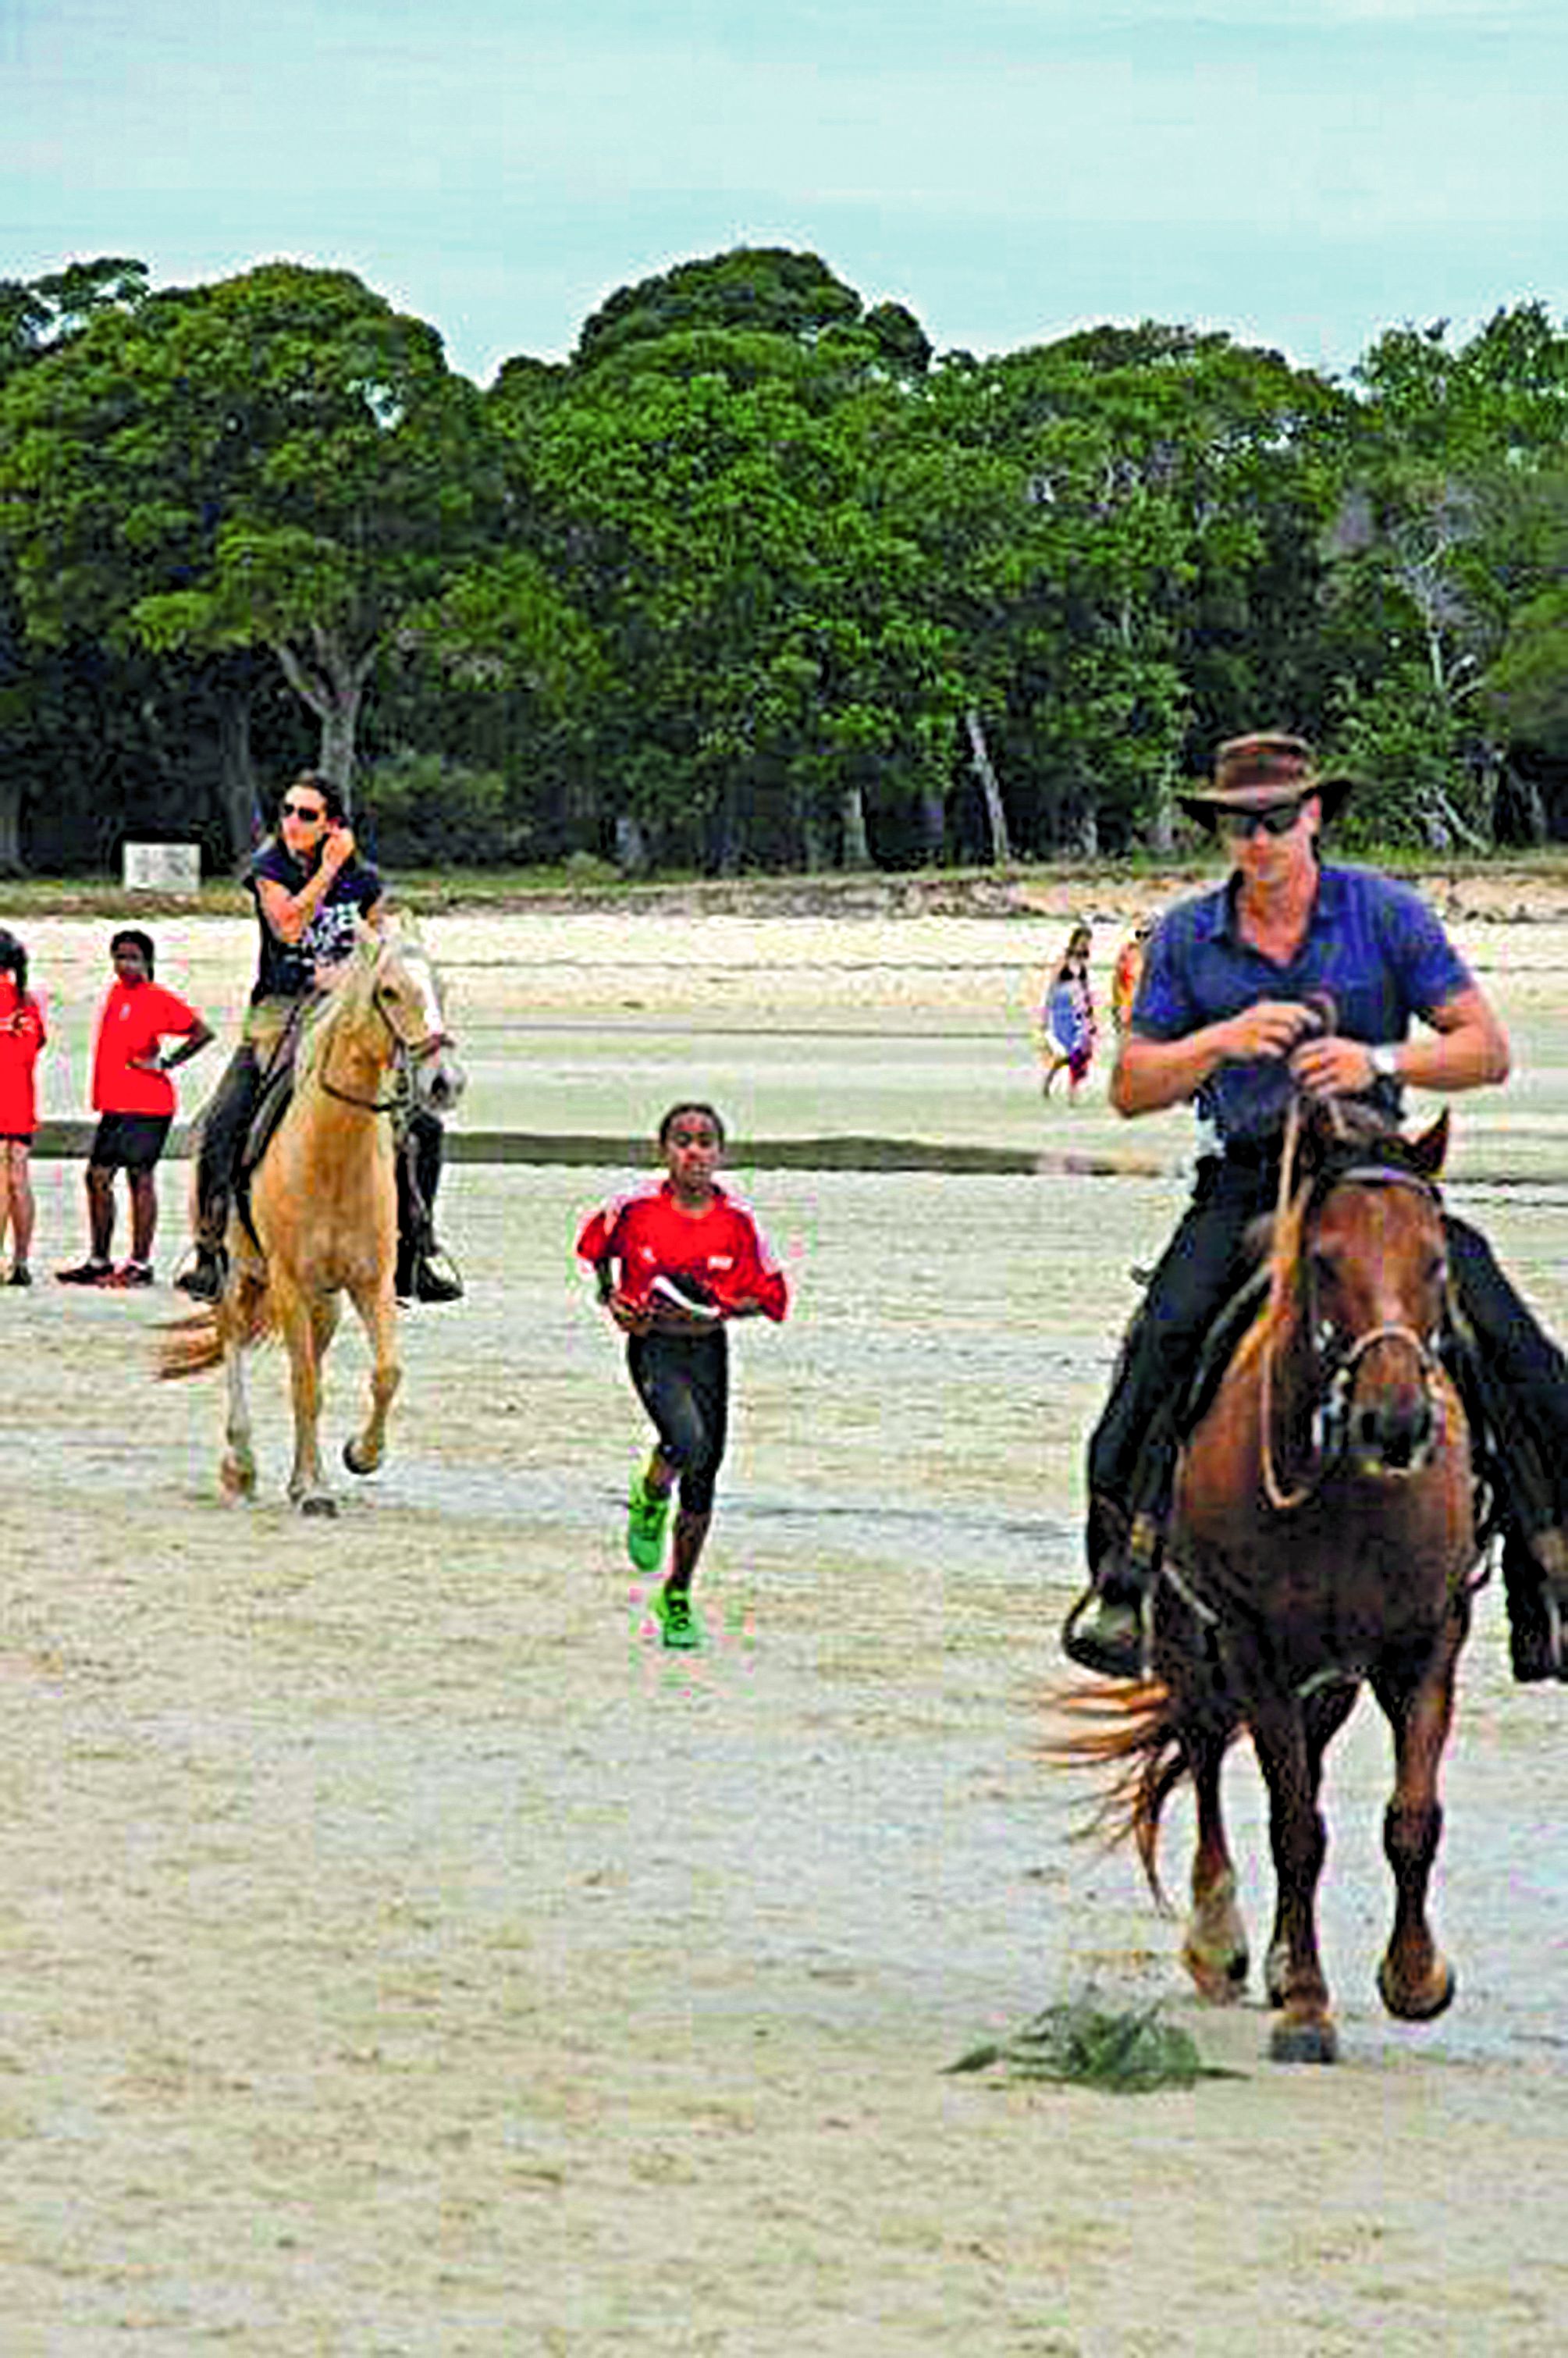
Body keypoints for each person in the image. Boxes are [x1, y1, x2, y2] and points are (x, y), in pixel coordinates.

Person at [1061, 729, 1568, 1685]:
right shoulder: (1186, 937)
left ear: (1313, 818)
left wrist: (1375, 1059)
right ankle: (1124, 1581)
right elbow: (1130, 1087)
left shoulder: (1383, 913)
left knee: (1518, 1352)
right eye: (1239, 825)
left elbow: (1484, 1050)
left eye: (1276, 820)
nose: (1259, 840)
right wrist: (1219, 1041)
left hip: (1375, 1177)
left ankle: (1544, 1574)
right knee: (1162, 1341)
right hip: (1248, 1178)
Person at [176, 771, 462, 1307]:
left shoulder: (366, 882)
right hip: (278, 1013)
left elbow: (377, 952)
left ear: (333, 824)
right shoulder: (270, 869)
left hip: (346, 1014)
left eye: (307, 814)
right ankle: (210, 1247)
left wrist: (348, 974)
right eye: (287, 811)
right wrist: (328, 869)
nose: (292, 822)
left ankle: (415, 1249)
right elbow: (287, 926)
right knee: (223, 1118)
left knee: (422, 1124)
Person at [576, 1102, 789, 1649]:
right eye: (682, 1141)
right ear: (664, 1151)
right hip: (653, 1348)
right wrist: (610, 1297)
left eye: (705, 1141)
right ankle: (650, 1496)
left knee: (702, 1479)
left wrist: (721, 1308)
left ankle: (676, 1595)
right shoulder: (633, 1206)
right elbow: (596, 1248)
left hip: (708, 1351)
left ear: (720, 1153)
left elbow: (770, 1297)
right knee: (686, 1442)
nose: (694, 1151)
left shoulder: (738, 1220)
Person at [56, 928, 214, 1288]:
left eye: (132, 958)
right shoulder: (116, 993)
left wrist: (166, 1063)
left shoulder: (157, 998)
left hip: (148, 1104)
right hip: (115, 1104)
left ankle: (140, 1265)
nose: (125, 965)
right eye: (119, 957)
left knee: (139, 1178)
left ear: (147, 961)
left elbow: (203, 1032)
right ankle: (99, 1261)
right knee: (97, 1177)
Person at [0, 927, 46, 1286]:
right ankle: (21, 1261)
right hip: (22, 1099)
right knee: (19, 1179)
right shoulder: (27, 1001)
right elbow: (37, 1043)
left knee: (1, 1181)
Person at [1038, 923, 1096, 1101]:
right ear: (1075, 941)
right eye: (1083, 941)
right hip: (1062, 1010)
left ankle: (1072, 1091)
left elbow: (1085, 988)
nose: (1085, 945)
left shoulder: (1083, 963)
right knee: (1066, 1053)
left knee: (1080, 1051)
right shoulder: (1063, 959)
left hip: (1078, 1009)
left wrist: (1090, 1012)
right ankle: (1049, 1081)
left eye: (1088, 942)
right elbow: (1052, 985)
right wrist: (1045, 1013)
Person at [1110, 917, 1154, 1037]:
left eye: (1147, 935)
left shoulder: (1157, 954)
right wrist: (1118, 1004)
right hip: (1128, 1004)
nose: (1143, 938)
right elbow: (1117, 978)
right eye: (1139, 934)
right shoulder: (1128, 950)